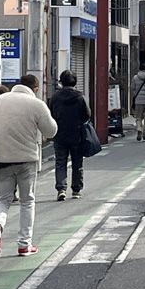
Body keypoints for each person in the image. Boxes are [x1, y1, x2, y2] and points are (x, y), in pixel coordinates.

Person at [0, 74, 57, 259]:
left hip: (1, 158)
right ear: (35, 88)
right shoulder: (36, 104)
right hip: (26, 160)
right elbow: (51, 131)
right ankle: (24, 245)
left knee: (2, 199)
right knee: (27, 200)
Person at [48, 70, 91, 202]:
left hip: (59, 134)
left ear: (61, 82)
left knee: (60, 162)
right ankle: (76, 189)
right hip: (77, 134)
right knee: (77, 162)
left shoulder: (55, 97)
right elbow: (87, 115)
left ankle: (61, 189)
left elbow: (49, 114)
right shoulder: (79, 97)